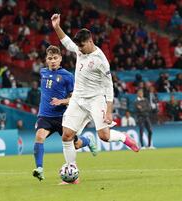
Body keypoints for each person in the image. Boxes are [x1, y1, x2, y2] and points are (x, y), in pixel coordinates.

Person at [51, 14, 139, 184]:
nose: (80, 49)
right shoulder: (79, 48)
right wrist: (56, 27)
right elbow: (67, 42)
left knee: (104, 136)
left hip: (95, 100)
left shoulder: (101, 61)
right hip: (78, 98)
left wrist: (109, 111)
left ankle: (124, 137)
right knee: (67, 135)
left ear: (90, 41)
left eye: (82, 46)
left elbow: (109, 87)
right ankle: (72, 174)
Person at [32, 45, 98, 182]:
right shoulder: (43, 72)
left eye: (55, 58)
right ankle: (39, 169)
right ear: (46, 60)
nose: (53, 61)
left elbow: (75, 98)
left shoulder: (68, 76)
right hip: (45, 116)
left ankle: (88, 140)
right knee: (39, 136)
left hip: (63, 117)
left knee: (76, 144)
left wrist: (61, 101)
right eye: (50, 58)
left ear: (60, 59)